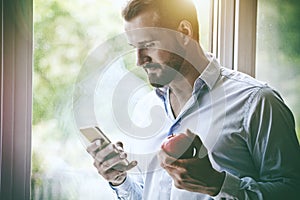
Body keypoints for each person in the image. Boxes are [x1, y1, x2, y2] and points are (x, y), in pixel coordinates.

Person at [86, 0, 300, 199]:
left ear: (184, 32)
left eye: (149, 44)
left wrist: (218, 184)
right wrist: (120, 180)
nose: (139, 60)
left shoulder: (257, 102)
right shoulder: (144, 109)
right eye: (135, 48)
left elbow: (292, 191)